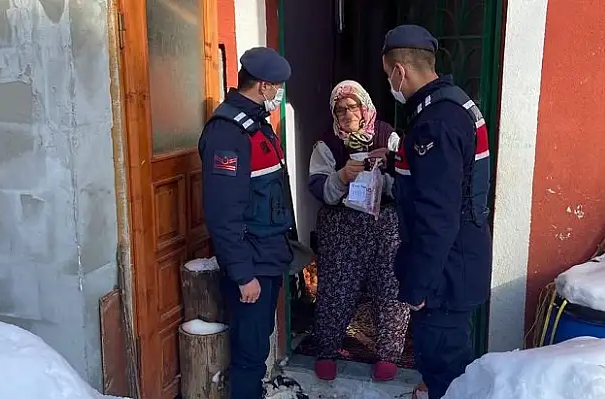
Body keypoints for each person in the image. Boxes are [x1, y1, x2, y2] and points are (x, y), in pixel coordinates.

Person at [380, 25, 492, 398]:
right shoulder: (455, 103)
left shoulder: (436, 122)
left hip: (444, 275)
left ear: (399, 70)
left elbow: (437, 215)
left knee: (445, 371)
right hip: (458, 262)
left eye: (388, 75)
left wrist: (418, 285)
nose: (390, 84)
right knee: (452, 367)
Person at [199, 46, 293, 399]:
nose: (278, 94)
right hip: (251, 261)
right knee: (249, 355)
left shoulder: (254, 125)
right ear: (264, 86)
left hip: (267, 255)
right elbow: (223, 212)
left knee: (256, 347)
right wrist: (243, 274)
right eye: (277, 87)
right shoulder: (228, 132)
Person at [308, 80, 410, 382]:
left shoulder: (388, 135)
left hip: (384, 224)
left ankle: (387, 356)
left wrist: (384, 171)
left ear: (364, 106)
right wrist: (341, 176)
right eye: (339, 109)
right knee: (336, 289)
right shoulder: (326, 144)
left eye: (352, 106)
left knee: (390, 287)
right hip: (341, 226)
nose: (346, 114)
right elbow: (319, 189)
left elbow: (406, 180)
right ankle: (326, 352)